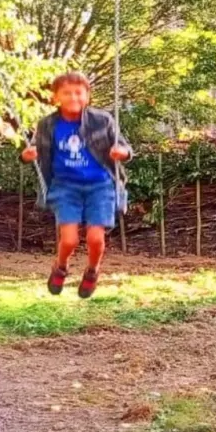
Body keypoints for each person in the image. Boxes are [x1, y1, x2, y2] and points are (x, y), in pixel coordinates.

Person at [21, 71, 131, 298]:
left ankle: (92, 271)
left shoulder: (102, 120)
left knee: (95, 238)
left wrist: (121, 152)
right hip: (65, 186)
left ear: (87, 96)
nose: (73, 97)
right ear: (56, 98)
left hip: (100, 185)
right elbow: (33, 150)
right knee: (69, 240)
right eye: (66, 93)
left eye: (78, 93)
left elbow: (124, 147)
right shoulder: (48, 124)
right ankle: (60, 266)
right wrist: (27, 155)